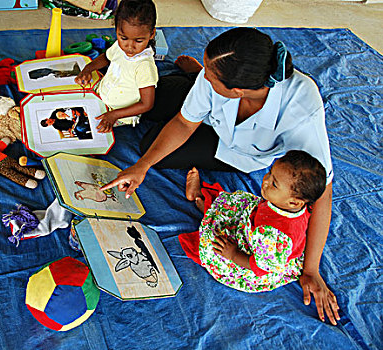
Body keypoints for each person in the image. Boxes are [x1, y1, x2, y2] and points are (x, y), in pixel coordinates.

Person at [101, 28, 340, 324]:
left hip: (238, 151)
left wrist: (311, 270)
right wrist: (142, 167)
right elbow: (183, 123)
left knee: (150, 141)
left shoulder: (301, 106)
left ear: (238, 90)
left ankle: (188, 78)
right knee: (150, 97)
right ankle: (190, 74)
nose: (208, 80)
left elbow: (322, 191)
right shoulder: (219, 80)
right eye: (207, 71)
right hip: (211, 117)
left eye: (211, 77)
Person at [180, 150, 326, 294]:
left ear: (294, 203)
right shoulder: (295, 205)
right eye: (270, 173)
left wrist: (233, 254)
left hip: (254, 258)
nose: (265, 180)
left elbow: (261, 267)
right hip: (254, 227)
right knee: (233, 204)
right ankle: (205, 202)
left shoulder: (273, 235)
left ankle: (205, 206)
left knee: (215, 243)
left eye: (274, 184)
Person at [74, 0, 158, 133]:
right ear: (117, 30)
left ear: (151, 34)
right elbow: (107, 57)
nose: (129, 47)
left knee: (87, 128)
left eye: (139, 41)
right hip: (102, 91)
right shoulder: (120, 46)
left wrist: (114, 115)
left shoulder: (144, 66)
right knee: (71, 92)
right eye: (123, 37)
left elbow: (147, 104)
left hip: (120, 113)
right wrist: (88, 69)